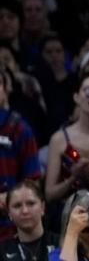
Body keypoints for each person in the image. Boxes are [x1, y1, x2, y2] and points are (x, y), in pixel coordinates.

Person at [45, 75, 89, 203]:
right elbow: (49, 194)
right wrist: (73, 178)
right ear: (76, 98)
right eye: (87, 90)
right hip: (67, 215)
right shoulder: (59, 139)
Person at [0, 69, 42, 239]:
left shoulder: (19, 128)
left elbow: (32, 182)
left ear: (5, 90)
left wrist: (10, 198)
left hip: (10, 228)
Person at [0, 180, 57, 260]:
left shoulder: (62, 243)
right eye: (17, 206)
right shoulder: (2, 252)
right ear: (9, 213)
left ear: (42, 207)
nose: (25, 211)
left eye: (31, 203)